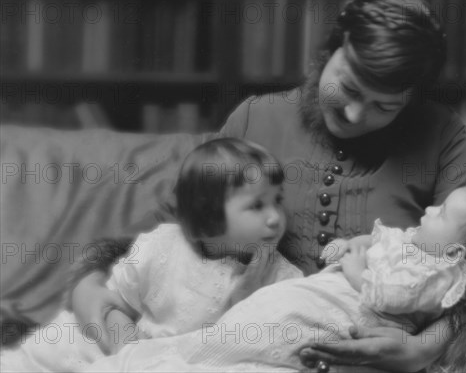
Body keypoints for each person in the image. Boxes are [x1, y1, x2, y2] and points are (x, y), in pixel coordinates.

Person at [69, 0, 466, 372]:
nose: (356, 114)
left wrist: (429, 346)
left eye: (385, 106)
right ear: (330, 49)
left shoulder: (439, 136)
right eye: (350, 87)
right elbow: (176, 226)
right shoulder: (256, 117)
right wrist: (93, 287)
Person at [83, 186, 466, 372]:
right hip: (288, 290)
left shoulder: (436, 274)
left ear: (454, 253)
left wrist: (421, 347)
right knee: (235, 330)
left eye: (440, 212)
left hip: (334, 315)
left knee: (250, 340)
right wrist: (358, 245)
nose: (427, 211)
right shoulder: (419, 247)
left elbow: (386, 293)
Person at [0, 138, 302, 372]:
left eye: (277, 200)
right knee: (56, 346)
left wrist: (247, 296)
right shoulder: (161, 247)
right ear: (209, 222)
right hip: (129, 349)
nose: (275, 217)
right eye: (257, 206)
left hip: (189, 363)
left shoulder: (279, 276)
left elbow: (249, 344)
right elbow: (117, 303)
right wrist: (126, 348)